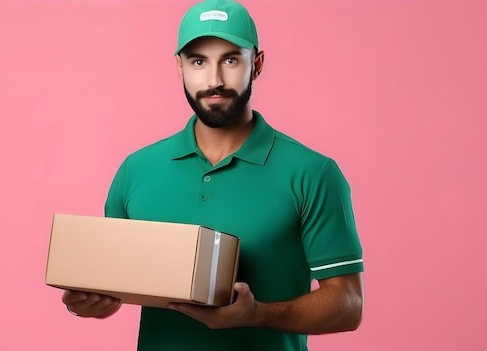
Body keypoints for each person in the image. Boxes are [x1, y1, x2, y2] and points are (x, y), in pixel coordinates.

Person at [62, 0, 364, 350]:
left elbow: (349, 304)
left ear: (258, 64)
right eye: (199, 61)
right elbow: (109, 284)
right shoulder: (137, 170)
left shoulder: (313, 173)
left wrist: (258, 314)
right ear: (180, 67)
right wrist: (85, 305)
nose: (214, 80)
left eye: (231, 60)